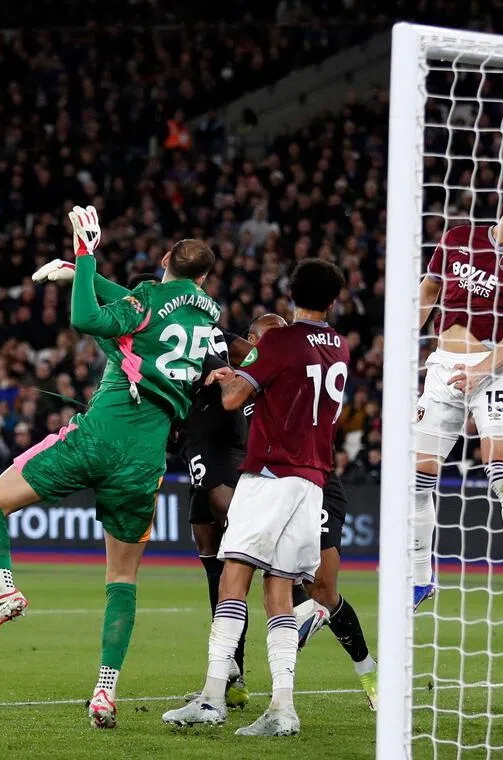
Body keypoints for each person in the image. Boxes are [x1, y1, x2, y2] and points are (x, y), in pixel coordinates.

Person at [0, 206, 219, 731]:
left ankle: (4, 588)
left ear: (165, 260)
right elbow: (148, 310)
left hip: (97, 438)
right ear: (205, 276)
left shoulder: (144, 303)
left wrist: (84, 258)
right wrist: (79, 273)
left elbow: (88, 318)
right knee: (122, 578)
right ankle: (105, 692)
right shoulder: (208, 318)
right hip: (145, 461)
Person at [161, 258, 349, 737]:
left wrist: (224, 372)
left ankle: (211, 698)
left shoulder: (279, 342)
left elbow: (232, 398)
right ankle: (283, 708)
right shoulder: (340, 346)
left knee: (233, 579)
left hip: (269, 474)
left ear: (291, 294)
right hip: (312, 481)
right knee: (279, 591)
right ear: (332, 302)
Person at [413, 167, 503, 626]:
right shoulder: (458, 238)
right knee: (418, 480)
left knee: (501, 474)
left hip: (492, 372)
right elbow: (428, 293)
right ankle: (421, 577)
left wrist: (479, 371)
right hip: (442, 370)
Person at [179, 311, 286, 710]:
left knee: (234, 537)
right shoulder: (209, 336)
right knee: (214, 563)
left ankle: (290, 581)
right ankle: (232, 675)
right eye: (270, 337)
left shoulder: (252, 358)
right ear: (253, 336)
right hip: (201, 438)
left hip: (223, 445)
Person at [291, 471, 379, 710]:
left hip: (315, 481)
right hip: (273, 486)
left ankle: (367, 669)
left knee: (322, 593)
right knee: (274, 577)